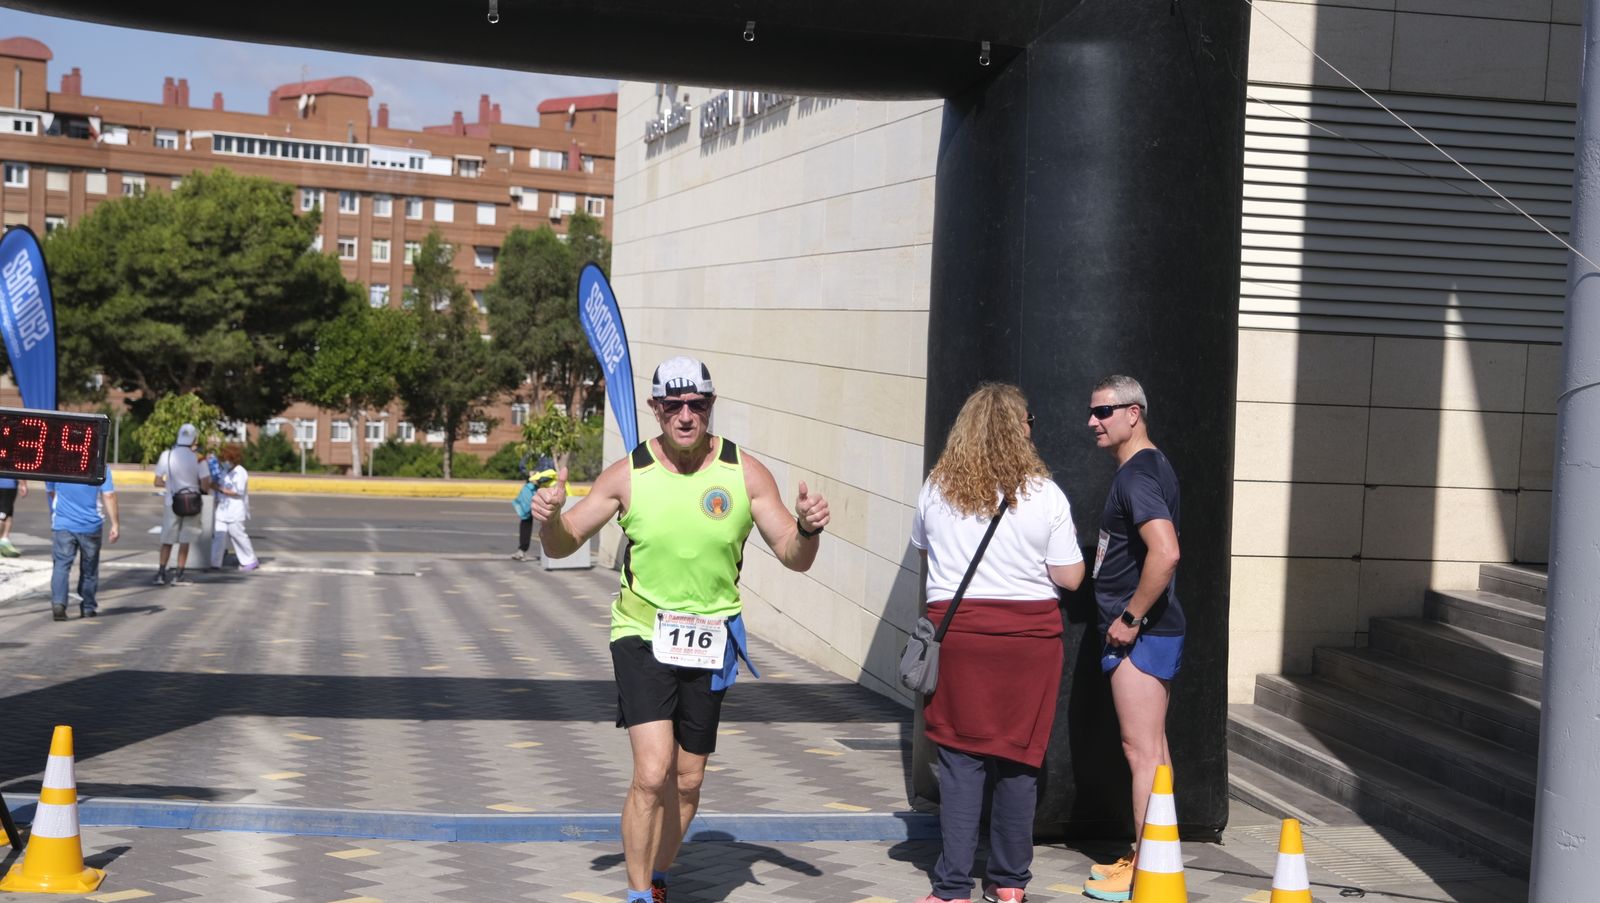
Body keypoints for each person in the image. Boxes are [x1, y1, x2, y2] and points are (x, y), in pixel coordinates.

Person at [529, 355, 830, 903]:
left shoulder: (745, 473)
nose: (686, 415)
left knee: (688, 779)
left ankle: (659, 874)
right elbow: (565, 538)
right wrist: (549, 516)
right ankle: (639, 892)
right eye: (674, 405)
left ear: (710, 407)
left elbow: (793, 553)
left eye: (697, 404)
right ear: (656, 409)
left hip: (711, 639)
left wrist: (808, 529)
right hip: (641, 632)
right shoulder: (627, 474)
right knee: (652, 771)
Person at [910, 383, 1085, 903]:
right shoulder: (1046, 495)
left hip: (959, 635)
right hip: (1029, 643)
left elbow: (926, 561)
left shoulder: (936, 488)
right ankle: (1009, 884)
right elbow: (1069, 578)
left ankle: (951, 888)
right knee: (1018, 762)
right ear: (1020, 429)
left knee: (961, 763)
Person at [1081, 375, 1183, 903]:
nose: (1092, 421)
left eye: (1103, 412)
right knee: (1154, 750)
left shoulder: (1136, 476)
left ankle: (1146, 870)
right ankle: (1154, 857)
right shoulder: (1148, 466)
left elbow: (1165, 553)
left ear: (1133, 413)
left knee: (1140, 750)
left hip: (1140, 636)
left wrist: (1131, 617)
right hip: (1150, 632)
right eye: (1093, 412)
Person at [46, 471, 120, 620]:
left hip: (63, 524)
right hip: (91, 525)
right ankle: (87, 606)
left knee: (61, 565)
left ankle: (59, 603)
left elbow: (52, 492)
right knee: (89, 568)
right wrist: (115, 524)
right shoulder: (100, 465)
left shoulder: (57, 463)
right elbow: (108, 495)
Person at [153, 422, 212, 586]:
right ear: (194, 438)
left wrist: (171, 485)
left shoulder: (167, 455)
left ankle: (161, 573)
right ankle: (179, 575)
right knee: (185, 540)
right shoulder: (199, 458)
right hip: (192, 504)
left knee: (167, 539)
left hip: (171, 502)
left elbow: (157, 481)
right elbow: (205, 484)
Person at [209, 444, 258, 572]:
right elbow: (219, 485)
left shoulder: (241, 472)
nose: (225, 462)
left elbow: (237, 491)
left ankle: (250, 560)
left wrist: (219, 488)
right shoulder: (224, 472)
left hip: (235, 510)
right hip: (222, 510)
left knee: (237, 535)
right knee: (219, 536)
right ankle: (215, 563)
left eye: (227, 459)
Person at [512, 452, 556, 561]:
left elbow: (552, 473)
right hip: (531, 490)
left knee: (547, 521)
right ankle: (522, 550)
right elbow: (522, 465)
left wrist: (539, 477)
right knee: (526, 519)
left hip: (545, 491)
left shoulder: (550, 456)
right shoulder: (532, 454)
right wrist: (529, 473)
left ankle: (552, 552)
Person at [0, 477, 26, 557]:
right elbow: (18, 470)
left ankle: (4, 539)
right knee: (2, 515)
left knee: (9, 512)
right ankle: (2, 541)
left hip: (8, 486)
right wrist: (23, 484)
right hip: (8, 486)